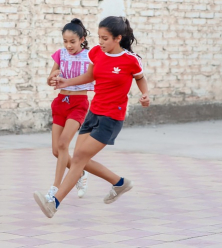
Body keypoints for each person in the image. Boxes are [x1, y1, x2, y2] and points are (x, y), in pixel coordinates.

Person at [34, 16, 150, 218]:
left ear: (118, 38)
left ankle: (53, 202)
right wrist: (65, 82)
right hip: (93, 113)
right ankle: (120, 183)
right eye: (99, 37)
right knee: (81, 161)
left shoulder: (130, 60)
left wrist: (145, 94)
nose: (101, 42)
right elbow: (90, 77)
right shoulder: (96, 53)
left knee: (78, 158)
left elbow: (140, 78)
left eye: (105, 38)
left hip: (111, 118)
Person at [44, 18, 94, 204]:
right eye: (65, 41)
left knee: (64, 144)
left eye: (72, 41)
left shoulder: (90, 56)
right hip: (60, 102)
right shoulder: (60, 54)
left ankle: (54, 190)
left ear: (82, 39)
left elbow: (93, 76)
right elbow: (50, 79)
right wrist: (52, 78)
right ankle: (79, 173)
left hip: (78, 103)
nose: (68, 45)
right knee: (57, 151)